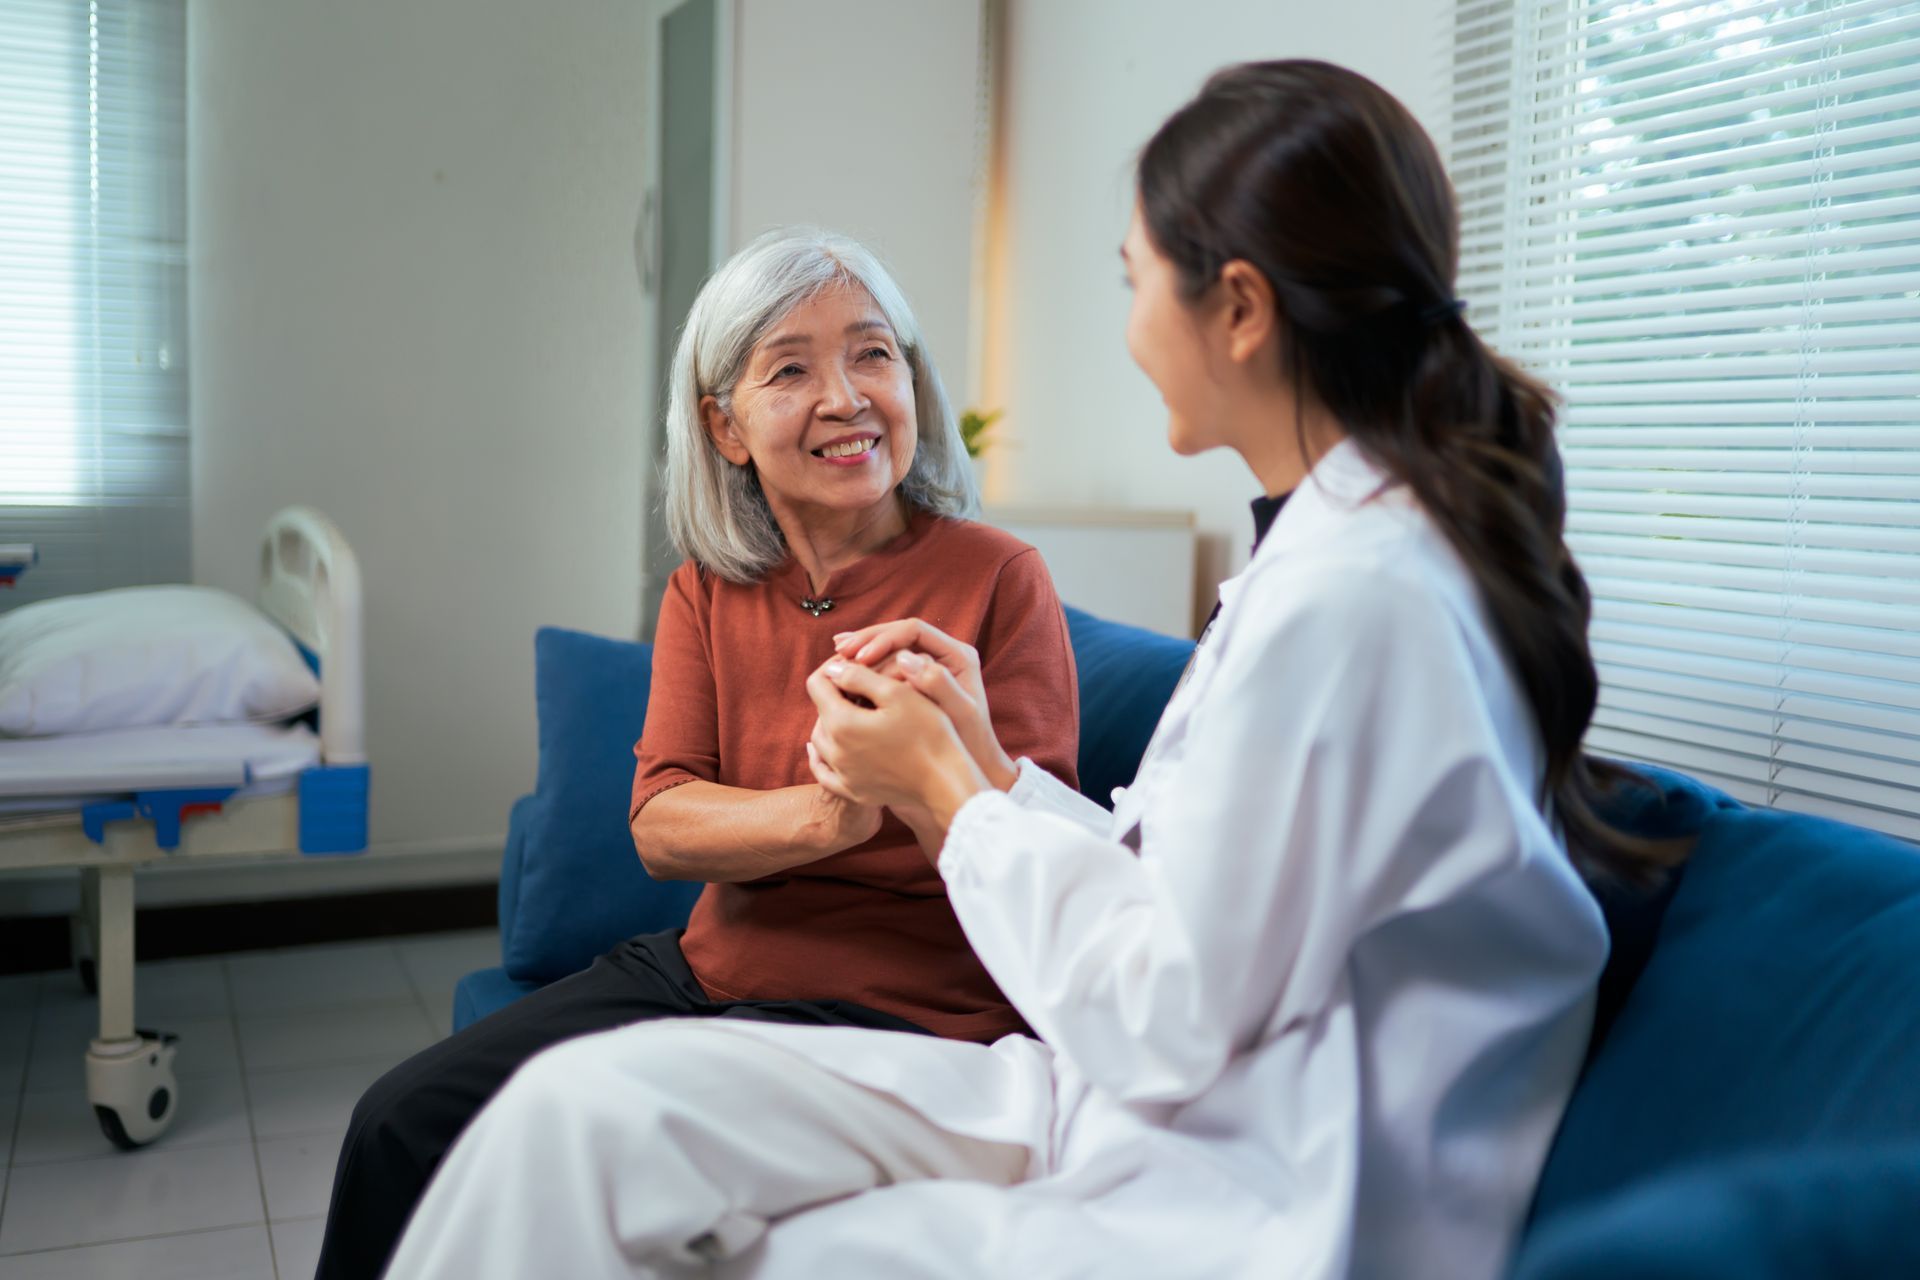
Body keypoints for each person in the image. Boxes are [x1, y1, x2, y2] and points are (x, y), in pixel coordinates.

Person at [381, 60, 1677, 1279]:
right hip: (1126, 1079)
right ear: (723, 426)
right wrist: (973, 769)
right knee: (574, 1112)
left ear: (1236, 308)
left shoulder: (1352, 601)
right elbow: (1189, 898)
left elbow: (1166, 1007)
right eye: (791, 370)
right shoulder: (1338, 560)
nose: (1124, 330)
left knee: (677, 1189)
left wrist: (949, 791)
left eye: (1130, 283)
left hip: (1212, 1150)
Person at [313, 228, 1079, 1279]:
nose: (847, 396)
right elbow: (662, 822)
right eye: (791, 369)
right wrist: (827, 812)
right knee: (400, 1119)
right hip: (710, 971)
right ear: (724, 424)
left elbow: (1041, 845)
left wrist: (934, 770)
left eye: (872, 354)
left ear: (913, 382)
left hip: (907, 1011)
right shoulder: (707, 591)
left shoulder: (998, 578)